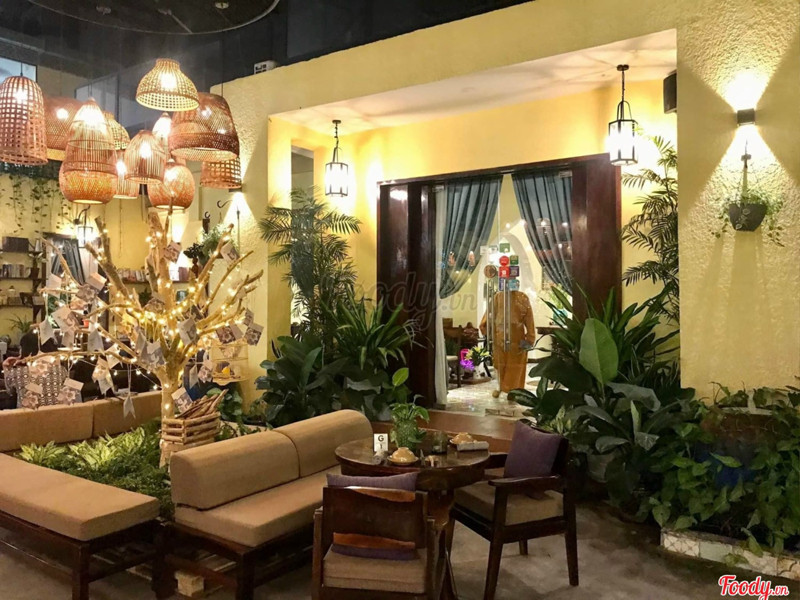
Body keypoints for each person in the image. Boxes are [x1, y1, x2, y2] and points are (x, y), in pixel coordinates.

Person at [480, 290, 535, 395]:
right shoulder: (498, 297)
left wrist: (529, 339)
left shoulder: (522, 297)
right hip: (499, 338)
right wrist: (486, 328)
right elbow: (490, 314)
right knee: (500, 365)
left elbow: (529, 319)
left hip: (516, 339)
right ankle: (501, 387)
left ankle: (513, 391)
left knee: (515, 368)